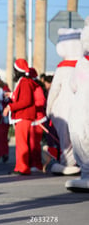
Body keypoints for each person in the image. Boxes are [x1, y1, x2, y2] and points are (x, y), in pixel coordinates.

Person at [46, 28, 82, 175]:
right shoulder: (84, 64)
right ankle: (80, 160)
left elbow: (54, 90)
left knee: (65, 137)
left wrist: (48, 108)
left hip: (63, 108)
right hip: (81, 106)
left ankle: (67, 160)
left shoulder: (62, 69)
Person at [66, 16, 89, 192]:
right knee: (79, 135)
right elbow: (73, 84)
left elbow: (72, 85)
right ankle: (86, 174)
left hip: (82, 105)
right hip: (81, 107)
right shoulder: (81, 62)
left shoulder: (81, 63)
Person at [3, 59, 36, 175]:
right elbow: (22, 97)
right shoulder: (23, 81)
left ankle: (23, 168)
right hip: (22, 116)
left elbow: (26, 101)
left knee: (22, 144)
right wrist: (11, 95)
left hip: (23, 116)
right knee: (20, 143)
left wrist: (9, 107)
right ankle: (19, 166)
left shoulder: (24, 82)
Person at [29, 67, 47, 172]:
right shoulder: (29, 86)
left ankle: (37, 165)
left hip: (38, 119)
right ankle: (32, 163)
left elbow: (41, 102)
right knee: (31, 143)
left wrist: (29, 105)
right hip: (31, 119)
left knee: (35, 144)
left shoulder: (37, 88)